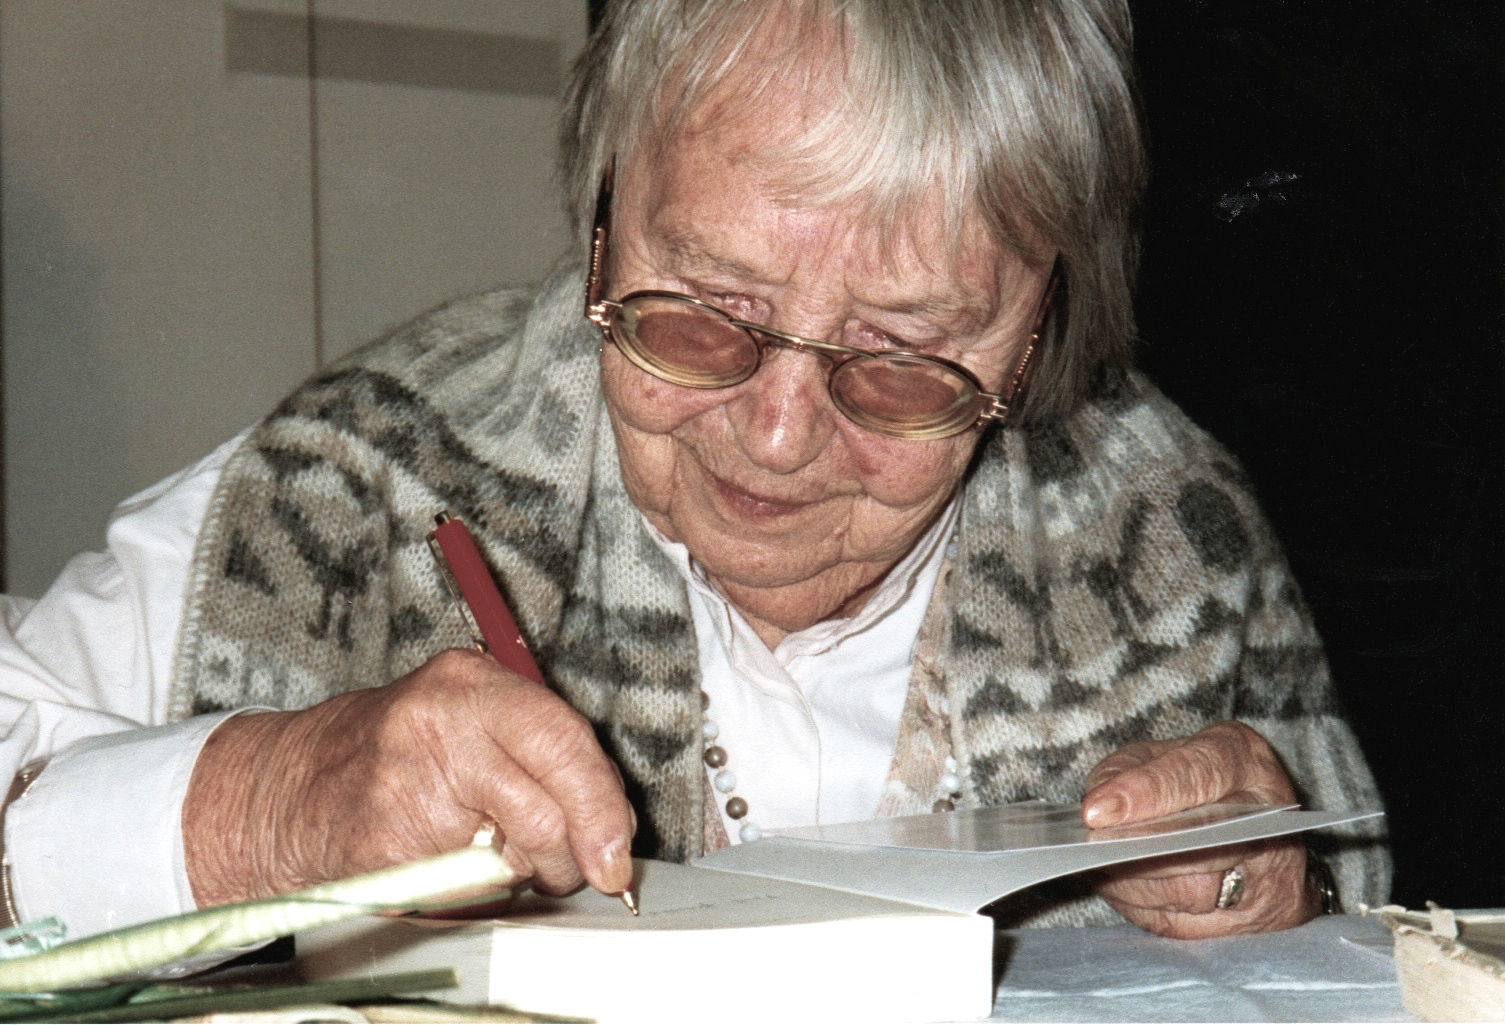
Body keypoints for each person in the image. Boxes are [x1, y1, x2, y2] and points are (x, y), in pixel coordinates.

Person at [0, 0, 1387, 949]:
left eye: (901, 359)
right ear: (601, 224)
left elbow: (1369, 907)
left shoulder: (1171, 527)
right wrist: (261, 809)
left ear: (1038, 336)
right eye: (704, 312)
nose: (775, 435)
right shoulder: (360, 484)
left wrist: (1283, 898)